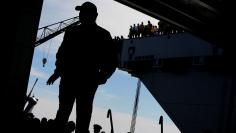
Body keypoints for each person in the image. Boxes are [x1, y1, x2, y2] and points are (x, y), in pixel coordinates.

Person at [46, 1, 117, 133]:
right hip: (83, 81)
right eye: (81, 12)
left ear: (94, 15)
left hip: (74, 80)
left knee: (69, 115)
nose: (80, 15)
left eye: (83, 12)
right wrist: (101, 77)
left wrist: (101, 77)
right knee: (78, 117)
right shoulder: (102, 34)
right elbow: (62, 55)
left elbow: (62, 55)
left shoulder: (74, 32)